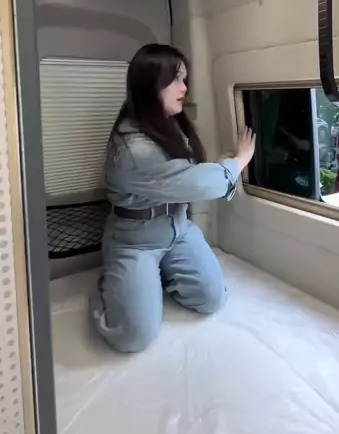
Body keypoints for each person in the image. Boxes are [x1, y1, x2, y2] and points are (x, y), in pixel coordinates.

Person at [90, 43, 256, 353]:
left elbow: (187, 178)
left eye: (184, 78)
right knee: (133, 336)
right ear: (150, 85)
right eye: (176, 79)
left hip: (178, 228)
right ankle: (113, 285)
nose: (184, 87)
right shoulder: (134, 151)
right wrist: (239, 160)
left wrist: (218, 168)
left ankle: (159, 273)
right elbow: (201, 183)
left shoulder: (170, 125)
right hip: (135, 241)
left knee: (212, 298)